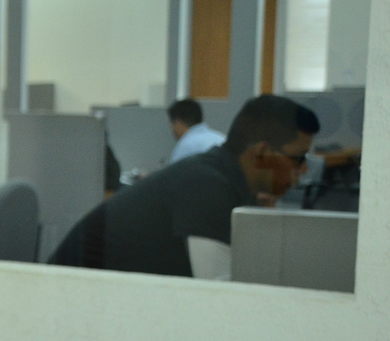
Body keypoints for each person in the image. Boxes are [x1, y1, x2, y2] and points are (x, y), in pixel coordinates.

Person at [49, 95, 319, 277]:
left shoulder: (223, 177)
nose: (305, 169)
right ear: (261, 153)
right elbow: (220, 296)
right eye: (298, 158)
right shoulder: (207, 186)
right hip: (69, 303)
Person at [168, 98, 224, 163]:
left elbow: (176, 169)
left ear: (178, 122)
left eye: (172, 124)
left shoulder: (186, 146)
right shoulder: (221, 138)